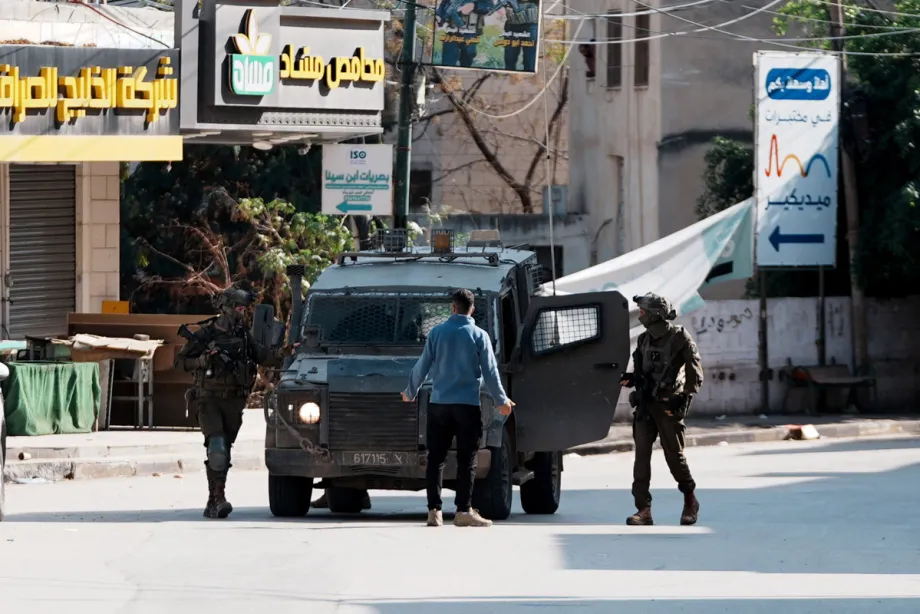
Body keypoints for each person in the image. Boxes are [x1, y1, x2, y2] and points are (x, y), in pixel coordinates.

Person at [402, 288, 515, 528]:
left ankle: (434, 511)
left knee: (436, 459)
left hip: (439, 405)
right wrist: (501, 400)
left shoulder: (436, 333)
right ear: (472, 309)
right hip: (467, 405)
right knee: (467, 460)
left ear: (452, 308)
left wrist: (410, 391)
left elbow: (422, 365)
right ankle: (463, 511)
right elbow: (491, 373)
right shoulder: (479, 335)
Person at [175, 287, 282, 519]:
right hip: (209, 399)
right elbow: (180, 362)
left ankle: (213, 499)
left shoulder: (244, 336)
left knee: (225, 449)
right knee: (217, 447)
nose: (241, 313)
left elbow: (264, 357)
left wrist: (288, 351)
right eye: (238, 308)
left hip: (234, 401)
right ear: (225, 307)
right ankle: (219, 498)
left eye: (244, 309)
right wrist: (201, 361)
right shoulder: (205, 335)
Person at [619, 292, 703, 526]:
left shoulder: (679, 338)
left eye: (644, 311)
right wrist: (631, 379)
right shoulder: (644, 340)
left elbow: (695, 374)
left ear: (656, 314)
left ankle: (689, 498)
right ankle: (643, 509)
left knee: (674, 457)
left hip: (668, 406)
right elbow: (640, 371)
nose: (641, 315)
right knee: (641, 457)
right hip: (646, 407)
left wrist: (682, 399)